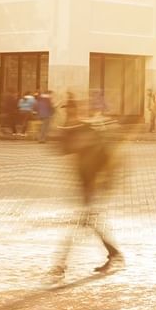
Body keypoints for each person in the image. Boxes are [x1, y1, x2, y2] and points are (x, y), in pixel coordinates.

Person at [51, 119, 123, 279]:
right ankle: (115, 254)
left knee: (77, 228)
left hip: (93, 195)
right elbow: (61, 148)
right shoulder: (83, 148)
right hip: (87, 195)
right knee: (92, 226)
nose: (80, 139)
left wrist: (98, 194)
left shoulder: (99, 151)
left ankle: (60, 264)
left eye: (83, 135)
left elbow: (109, 173)